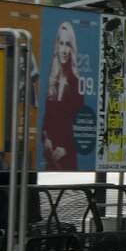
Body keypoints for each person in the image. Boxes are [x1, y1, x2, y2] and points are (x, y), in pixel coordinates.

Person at [42, 21, 84, 171]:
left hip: (68, 162)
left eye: (68, 44)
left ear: (72, 48)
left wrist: (66, 148)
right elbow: (46, 122)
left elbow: (80, 125)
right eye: (61, 44)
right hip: (51, 160)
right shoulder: (52, 81)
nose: (64, 50)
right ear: (57, 46)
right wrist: (45, 139)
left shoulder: (77, 82)